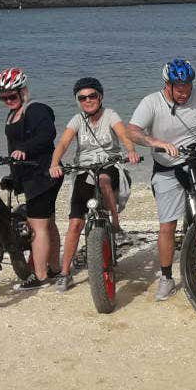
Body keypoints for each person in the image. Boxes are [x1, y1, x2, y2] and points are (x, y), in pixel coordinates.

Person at [124, 59, 196, 301]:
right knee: (168, 225)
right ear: (168, 85)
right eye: (179, 87)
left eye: (187, 86)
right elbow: (132, 130)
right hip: (168, 168)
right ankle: (166, 277)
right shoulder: (151, 102)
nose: (185, 92)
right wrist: (156, 143)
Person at [48, 77, 142, 292]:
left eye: (92, 96)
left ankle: (115, 224)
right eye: (82, 98)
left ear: (100, 97)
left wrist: (131, 151)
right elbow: (63, 142)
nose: (87, 100)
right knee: (74, 224)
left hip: (109, 165)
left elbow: (123, 134)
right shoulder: (77, 120)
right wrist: (55, 163)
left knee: (103, 179)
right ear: (78, 101)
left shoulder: (111, 115)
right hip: (84, 168)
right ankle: (64, 272)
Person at [0, 67, 65, 291]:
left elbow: (47, 135)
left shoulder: (36, 109)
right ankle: (54, 267)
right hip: (32, 174)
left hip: (44, 173)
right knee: (48, 223)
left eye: (12, 96)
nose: (8, 100)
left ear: (23, 90)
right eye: (3, 97)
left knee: (38, 226)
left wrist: (25, 148)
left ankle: (41, 276)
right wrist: (14, 177)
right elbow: (14, 148)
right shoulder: (13, 113)